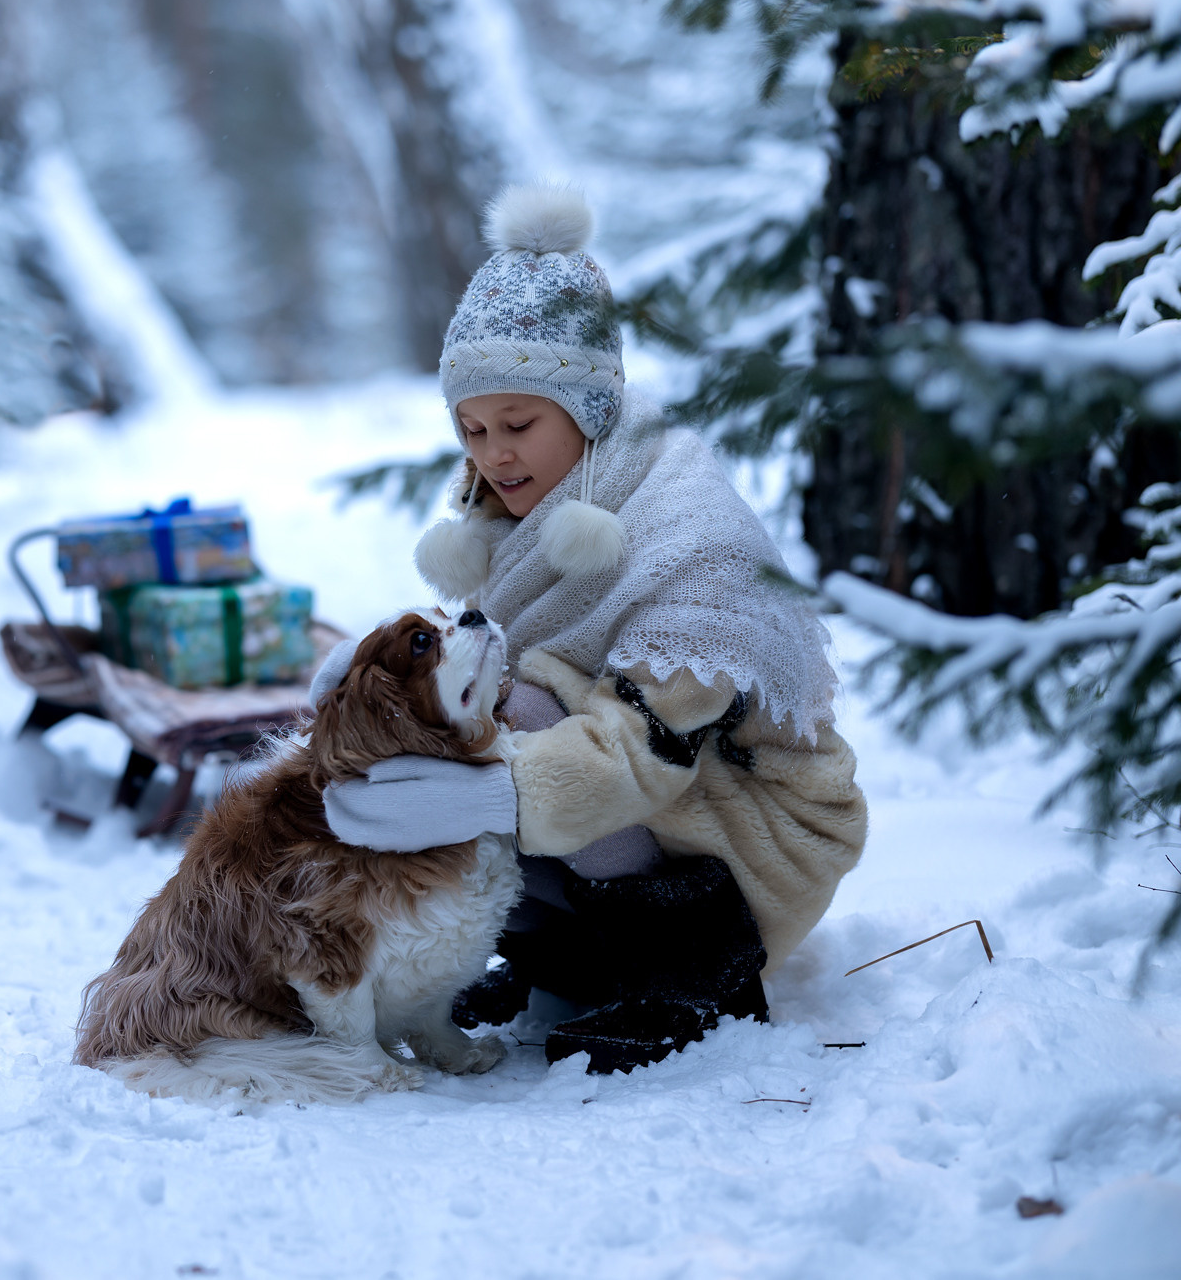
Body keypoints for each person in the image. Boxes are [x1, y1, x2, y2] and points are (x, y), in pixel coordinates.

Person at [311, 184, 869, 1075]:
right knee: (491, 710)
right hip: (658, 804)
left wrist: (488, 793)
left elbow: (649, 747)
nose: (494, 454)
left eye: (520, 424)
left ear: (592, 409)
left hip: (757, 834)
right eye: (474, 428)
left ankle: (690, 976)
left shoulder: (689, 544)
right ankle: (552, 956)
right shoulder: (520, 516)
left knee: (522, 713)